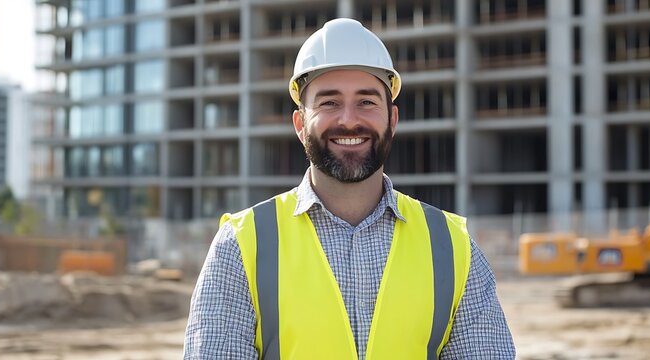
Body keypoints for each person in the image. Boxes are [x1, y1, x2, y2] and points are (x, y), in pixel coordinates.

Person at [184, 18, 515, 359]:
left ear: (393, 119)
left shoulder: (452, 247)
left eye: (367, 102)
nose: (348, 119)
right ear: (300, 124)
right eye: (329, 102)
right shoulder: (241, 246)